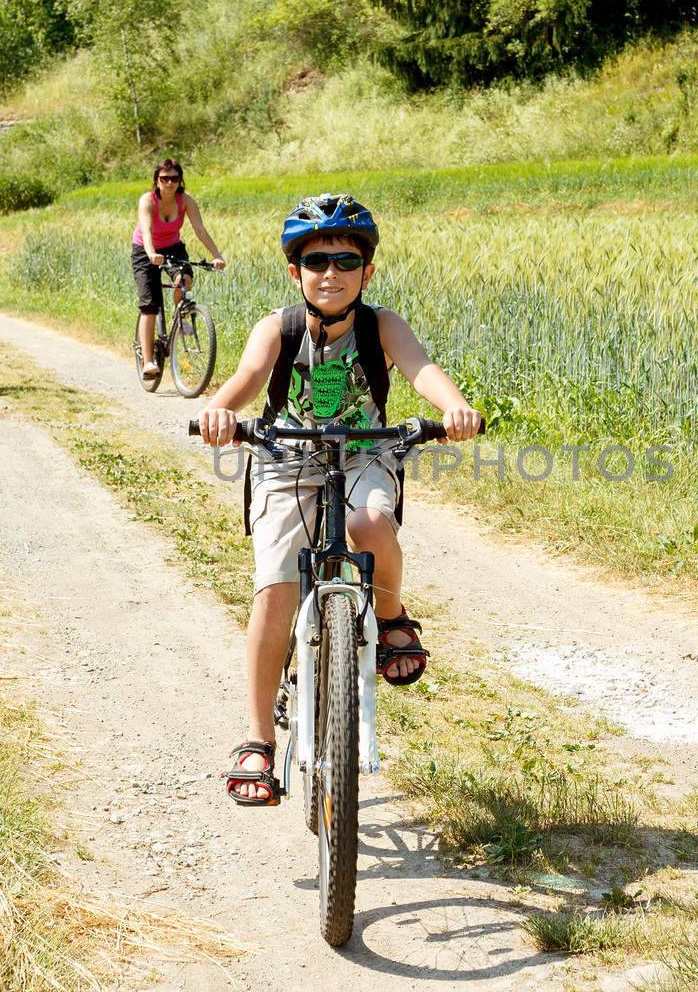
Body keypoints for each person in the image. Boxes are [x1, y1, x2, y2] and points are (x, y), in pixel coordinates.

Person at [196, 194, 482, 806]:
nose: (332, 273)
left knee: (372, 523)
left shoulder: (384, 325)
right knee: (276, 585)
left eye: (346, 261)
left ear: (367, 272)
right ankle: (257, 740)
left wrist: (451, 406)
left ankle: (389, 617)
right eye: (317, 260)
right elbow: (248, 378)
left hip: (363, 451)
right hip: (287, 457)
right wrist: (221, 411)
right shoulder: (279, 327)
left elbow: (419, 369)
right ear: (294, 271)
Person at [133, 158, 226, 379]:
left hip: (173, 247)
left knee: (184, 279)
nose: (169, 183)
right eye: (165, 178)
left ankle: (181, 315)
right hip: (145, 250)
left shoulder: (185, 201)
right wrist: (151, 254)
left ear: (180, 180)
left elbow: (200, 230)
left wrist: (217, 255)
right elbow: (146, 231)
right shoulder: (148, 200)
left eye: (174, 178)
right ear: (157, 180)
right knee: (149, 305)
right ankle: (148, 362)